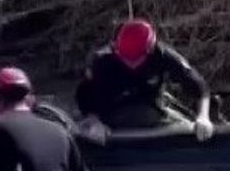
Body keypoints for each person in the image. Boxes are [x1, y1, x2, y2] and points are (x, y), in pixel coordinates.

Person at [75, 18, 214, 140]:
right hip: (111, 112)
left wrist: (203, 117)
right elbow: (85, 97)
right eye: (125, 58)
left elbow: (200, 87)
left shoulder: (163, 55)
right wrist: (93, 120)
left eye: (135, 59)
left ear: (150, 51)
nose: (130, 63)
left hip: (154, 108)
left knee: (188, 128)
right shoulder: (102, 61)